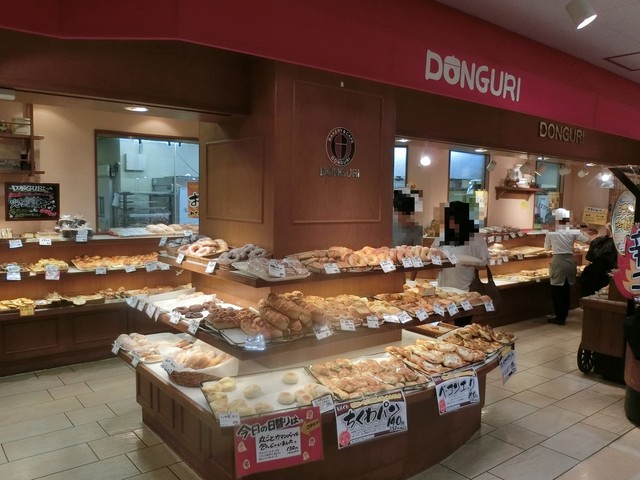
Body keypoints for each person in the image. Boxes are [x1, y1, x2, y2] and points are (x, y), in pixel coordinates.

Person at [544, 208, 592, 325]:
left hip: (558, 262)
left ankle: (559, 317)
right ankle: (564, 315)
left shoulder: (551, 232)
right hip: (570, 261)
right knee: (566, 290)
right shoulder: (572, 231)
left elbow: (546, 248)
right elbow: (588, 241)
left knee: (557, 291)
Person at [435, 201, 489, 292]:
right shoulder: (444, 234)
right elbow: (434, 253)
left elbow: (484, 264)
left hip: (465, 288)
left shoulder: (476, 237)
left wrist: (471, 263)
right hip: (443, 288)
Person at [580, 223, 617, 296]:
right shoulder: (617, 243)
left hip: (592, 270)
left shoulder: (597, 240)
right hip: (606, 273)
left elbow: (588, 257)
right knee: (600, 294)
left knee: (590, 293)